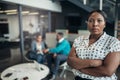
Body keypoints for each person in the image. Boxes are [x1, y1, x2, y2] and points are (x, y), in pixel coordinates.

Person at [67, 10, 120, 80]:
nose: (95, 24)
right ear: (87, 23)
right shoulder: (79, 40)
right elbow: (70, 61)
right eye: (91, 21)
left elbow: (108, 71)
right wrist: (92, 63)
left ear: (104, 24)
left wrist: (80, 68)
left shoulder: (113, 42)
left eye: (99, 21)